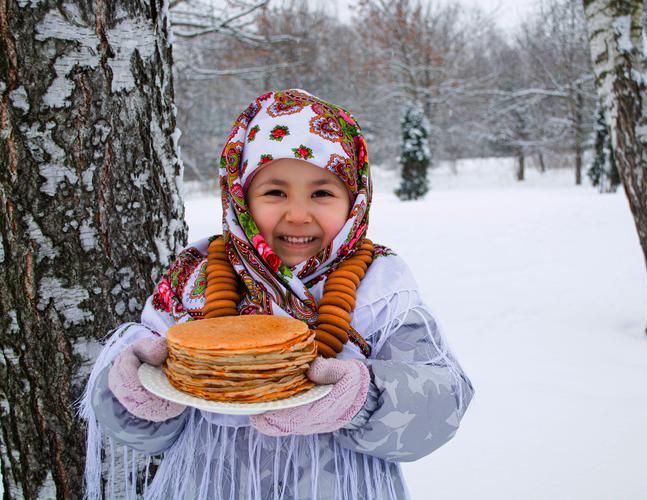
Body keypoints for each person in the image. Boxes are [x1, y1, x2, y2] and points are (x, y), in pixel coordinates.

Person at [81, 89, 474, 500]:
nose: (298, 214)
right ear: (241, 197)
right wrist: (138, 393)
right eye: (275, 192)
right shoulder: (194, 282)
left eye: (322, 193)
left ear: (355, 200)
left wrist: (362, 399)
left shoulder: (380, 289)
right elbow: (139, 433)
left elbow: (441, 406)